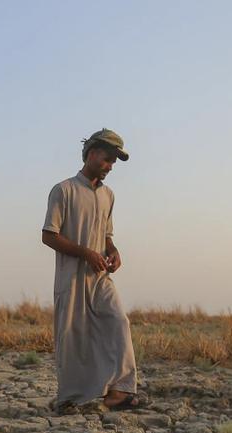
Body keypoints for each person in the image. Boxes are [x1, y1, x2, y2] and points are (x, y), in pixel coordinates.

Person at [41, 128, 140, 412]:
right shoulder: (64, 190)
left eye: (113, 163)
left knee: (118, 322)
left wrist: (113, 250)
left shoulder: (108, 195)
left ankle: (120, 390)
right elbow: (49, 236)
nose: (110, 167)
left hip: (100, 278)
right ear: (92, 153)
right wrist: (86, 253)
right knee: (73, 336)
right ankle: (71, 398)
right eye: (107, 159)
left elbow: (106, 235)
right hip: (71, 277)